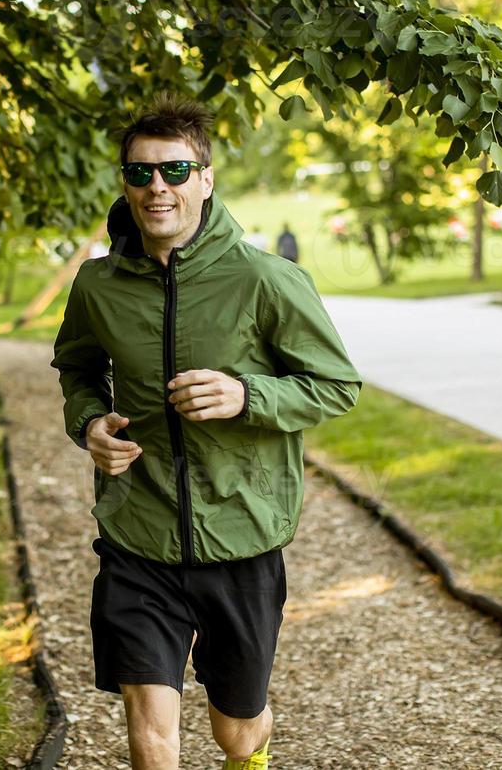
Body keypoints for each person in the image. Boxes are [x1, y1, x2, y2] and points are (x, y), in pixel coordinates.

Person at [51, 92, 362, 770]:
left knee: (238, 729)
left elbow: (336, 385)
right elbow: (76, 369)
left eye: (173, 171)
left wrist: (245, 394)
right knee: (151, 732)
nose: (156, 187)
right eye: (140, 173)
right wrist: (89, 423)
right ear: (126, 183)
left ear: (206, 179)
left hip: (241, 536)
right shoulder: (97, 287)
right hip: (138, 532)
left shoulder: (266, 280)